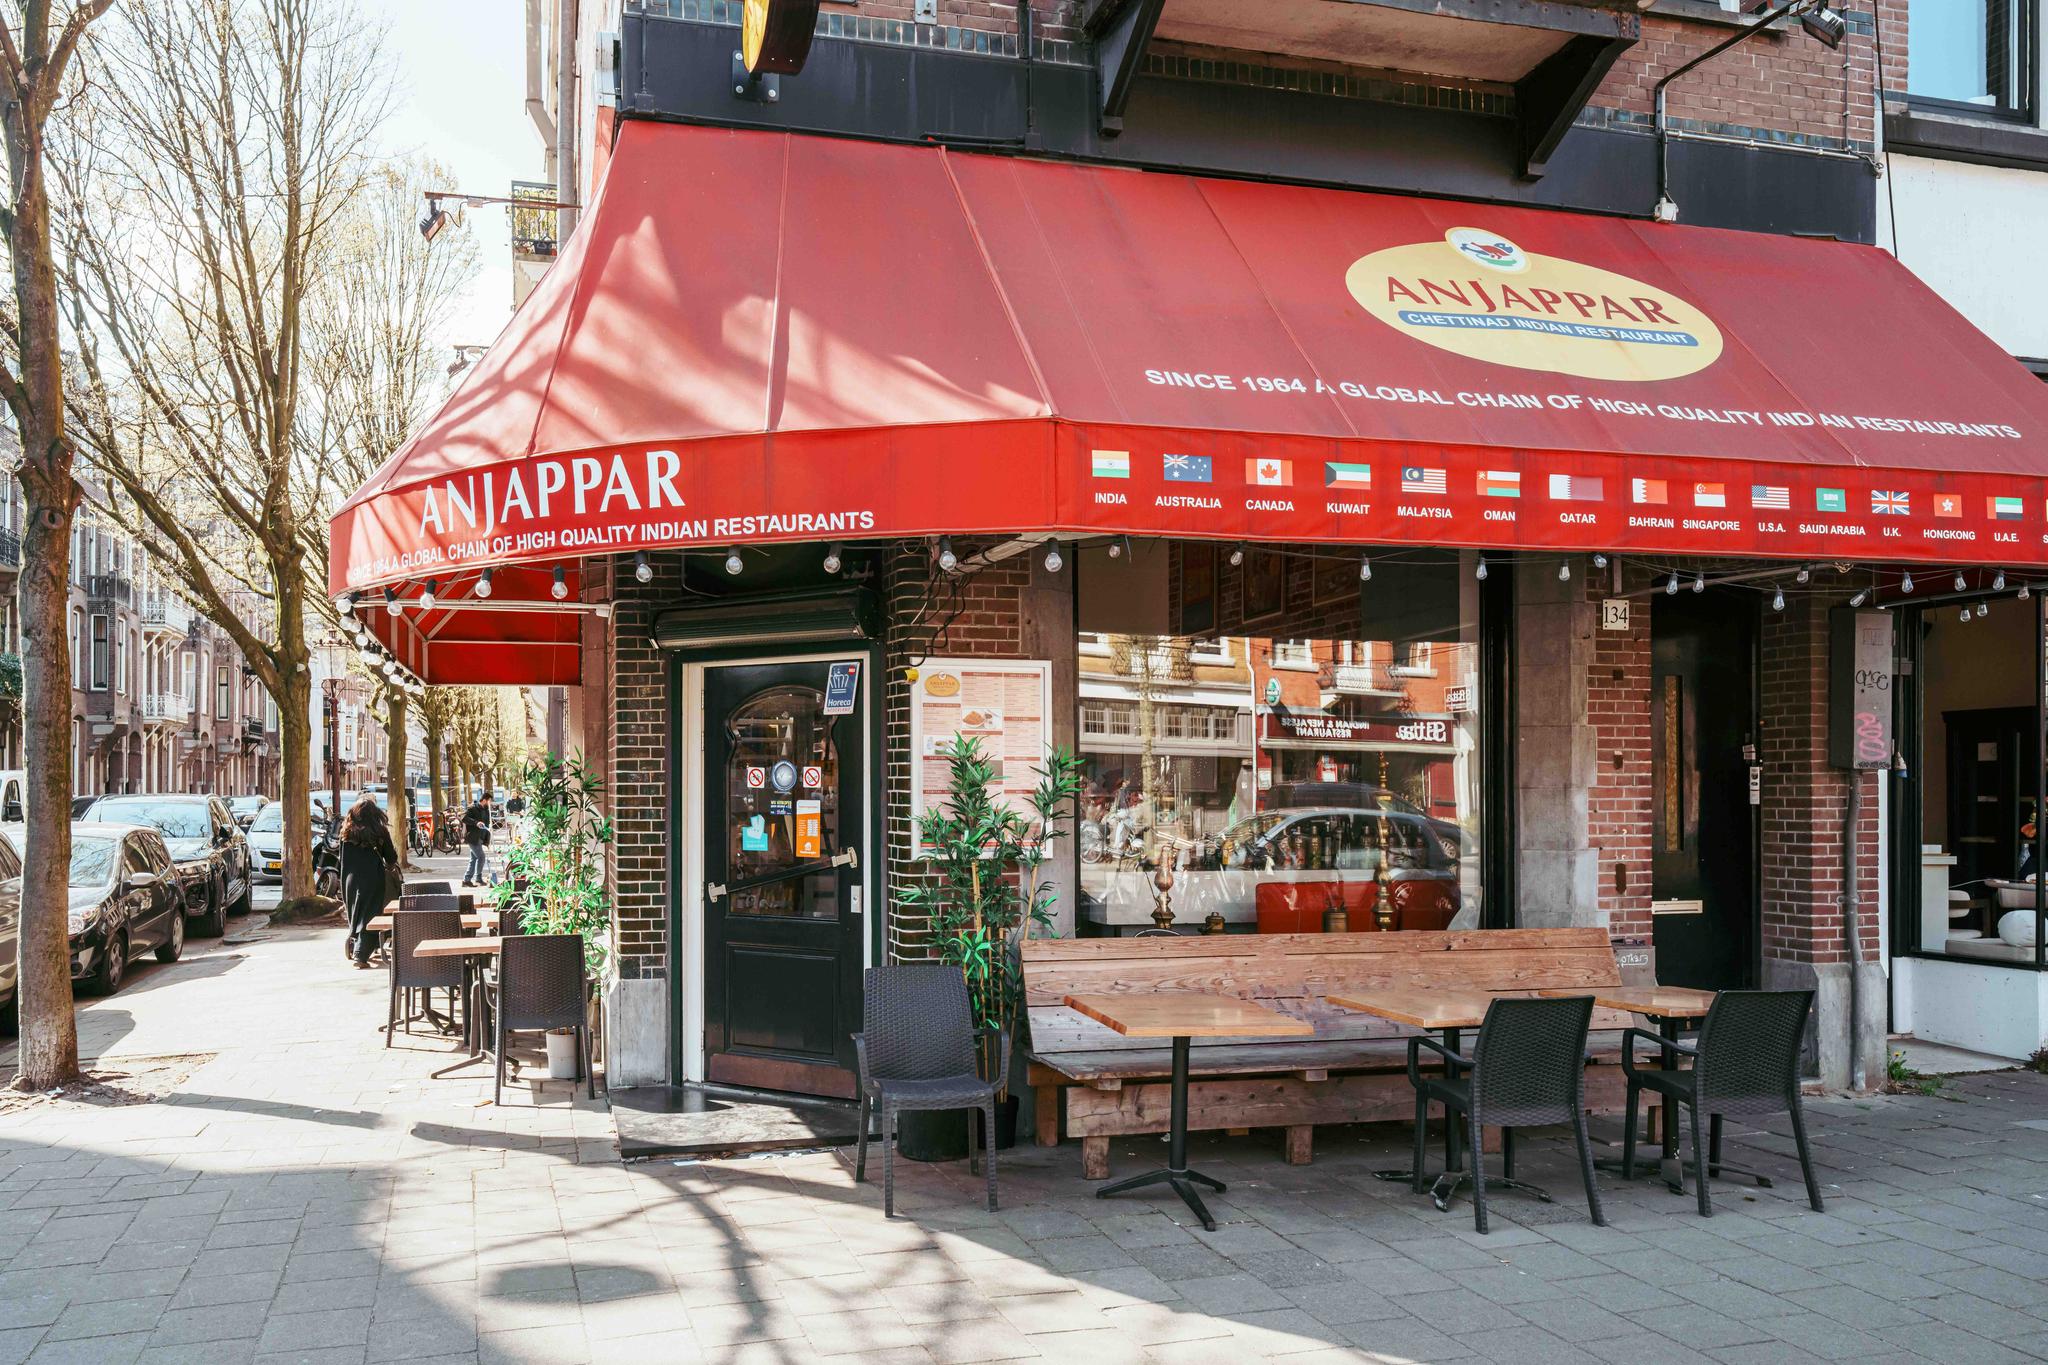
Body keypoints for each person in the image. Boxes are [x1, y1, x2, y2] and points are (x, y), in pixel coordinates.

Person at [339, 795, 399, 969]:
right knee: (370, 915)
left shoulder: (346, 831)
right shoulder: (379, 831)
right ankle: (361, 954)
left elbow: (341, 859)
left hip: (349, 879)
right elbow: (391, 857)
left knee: (356, 912)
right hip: (373, 878)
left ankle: (356, 940)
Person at [462, 789, 493, 887]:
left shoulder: (486, 810)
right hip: (473, 838)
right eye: (489, 801)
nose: (490, 803)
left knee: (474, 859)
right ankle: (478, 879)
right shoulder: (473, 808)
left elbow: (487, 825)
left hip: (480, 838)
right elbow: (464, 818)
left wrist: (487, 840)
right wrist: (476, 823)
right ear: (484, 800)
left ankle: (466, 880)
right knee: (481, 857)